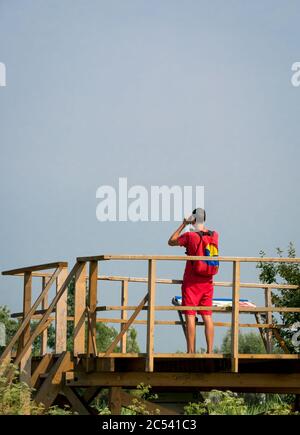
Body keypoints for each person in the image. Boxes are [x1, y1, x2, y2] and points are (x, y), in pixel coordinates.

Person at [168, 208, 219, 354]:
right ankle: (210, 351)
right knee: (207, 316)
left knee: (190, 315)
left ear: (194, 219)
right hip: (208, 281)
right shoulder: (214, 235)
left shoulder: (190, 236)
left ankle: (190, 351)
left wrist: (183, 224)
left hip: (192, 282)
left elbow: (171, 241)